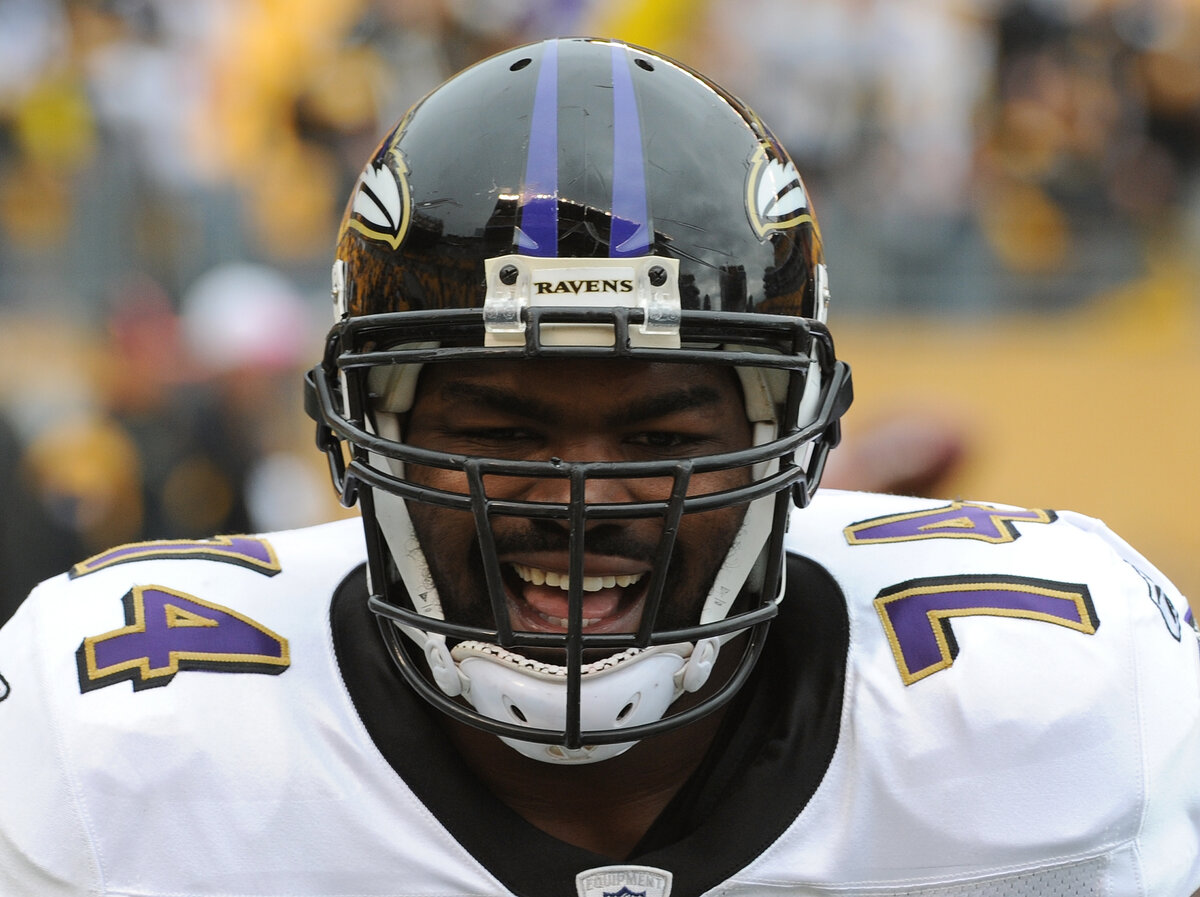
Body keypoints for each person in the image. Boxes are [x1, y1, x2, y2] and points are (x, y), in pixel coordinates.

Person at [1, 37, 1197, 897]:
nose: (582, 499)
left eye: (665, 437)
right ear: (365, 428)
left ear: (795, 435)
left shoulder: (1080, 701)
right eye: (502, 432)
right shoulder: (109, 734)